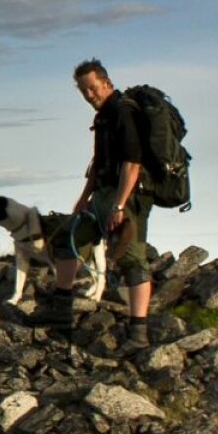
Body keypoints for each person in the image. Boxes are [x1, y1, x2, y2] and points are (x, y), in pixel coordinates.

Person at [72, 59, 155, 327]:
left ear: (107, 83)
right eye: (84, 90)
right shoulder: (103, 116)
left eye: (93, 88)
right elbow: (97, 162)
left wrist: (119, 207)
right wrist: (84, 198)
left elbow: (132, 162)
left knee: (133, 259)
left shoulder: (123, 112)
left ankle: (138, 330)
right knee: (72, 238)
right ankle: (63, 304)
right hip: (104, 192)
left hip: (129, 195)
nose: (89, 95)